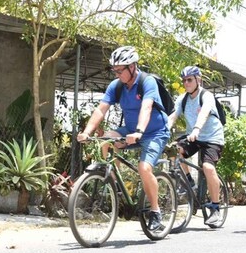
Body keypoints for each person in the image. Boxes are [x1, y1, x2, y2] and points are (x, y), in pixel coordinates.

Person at [76, 46, 171, 232]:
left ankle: (155, 212)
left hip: (155, 132)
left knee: (144, 168)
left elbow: (147, 107)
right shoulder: (116, 85)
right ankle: (113, 183)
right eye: (115, 70)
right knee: (106, 140)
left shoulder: (147, 82)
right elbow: (100, 109)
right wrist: (86, 132)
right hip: (129, 130)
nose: (117, 73)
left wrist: (138, 132)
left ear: (133, 66)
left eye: (120, 70)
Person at [166, 65, 225, 227]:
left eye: (189, 80)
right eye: (184, 80)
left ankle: (215, 208)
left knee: (207, 167)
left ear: (198, 80)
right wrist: (164, 129)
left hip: (212, 137)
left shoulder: (207, 96)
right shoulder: (182, 99)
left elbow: (205, 112)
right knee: (173, 149)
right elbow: (173, 116)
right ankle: (189, 182)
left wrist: (197, 128)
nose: (186, 83)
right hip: (194, 136)